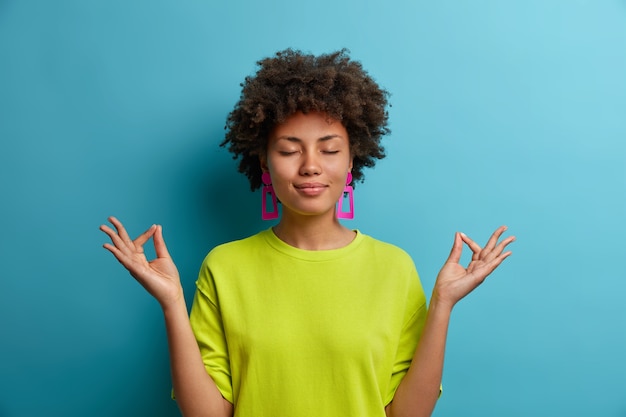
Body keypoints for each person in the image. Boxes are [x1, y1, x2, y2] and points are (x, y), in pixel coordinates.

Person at [100, 49, 515, 417]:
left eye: (330, 149)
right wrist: (172, 304)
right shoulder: (224, 267)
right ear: (264, 164)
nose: (311, 165)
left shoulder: (394, 267)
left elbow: (406, 415)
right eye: (289, 149)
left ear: (352, 161)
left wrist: (442, 304)